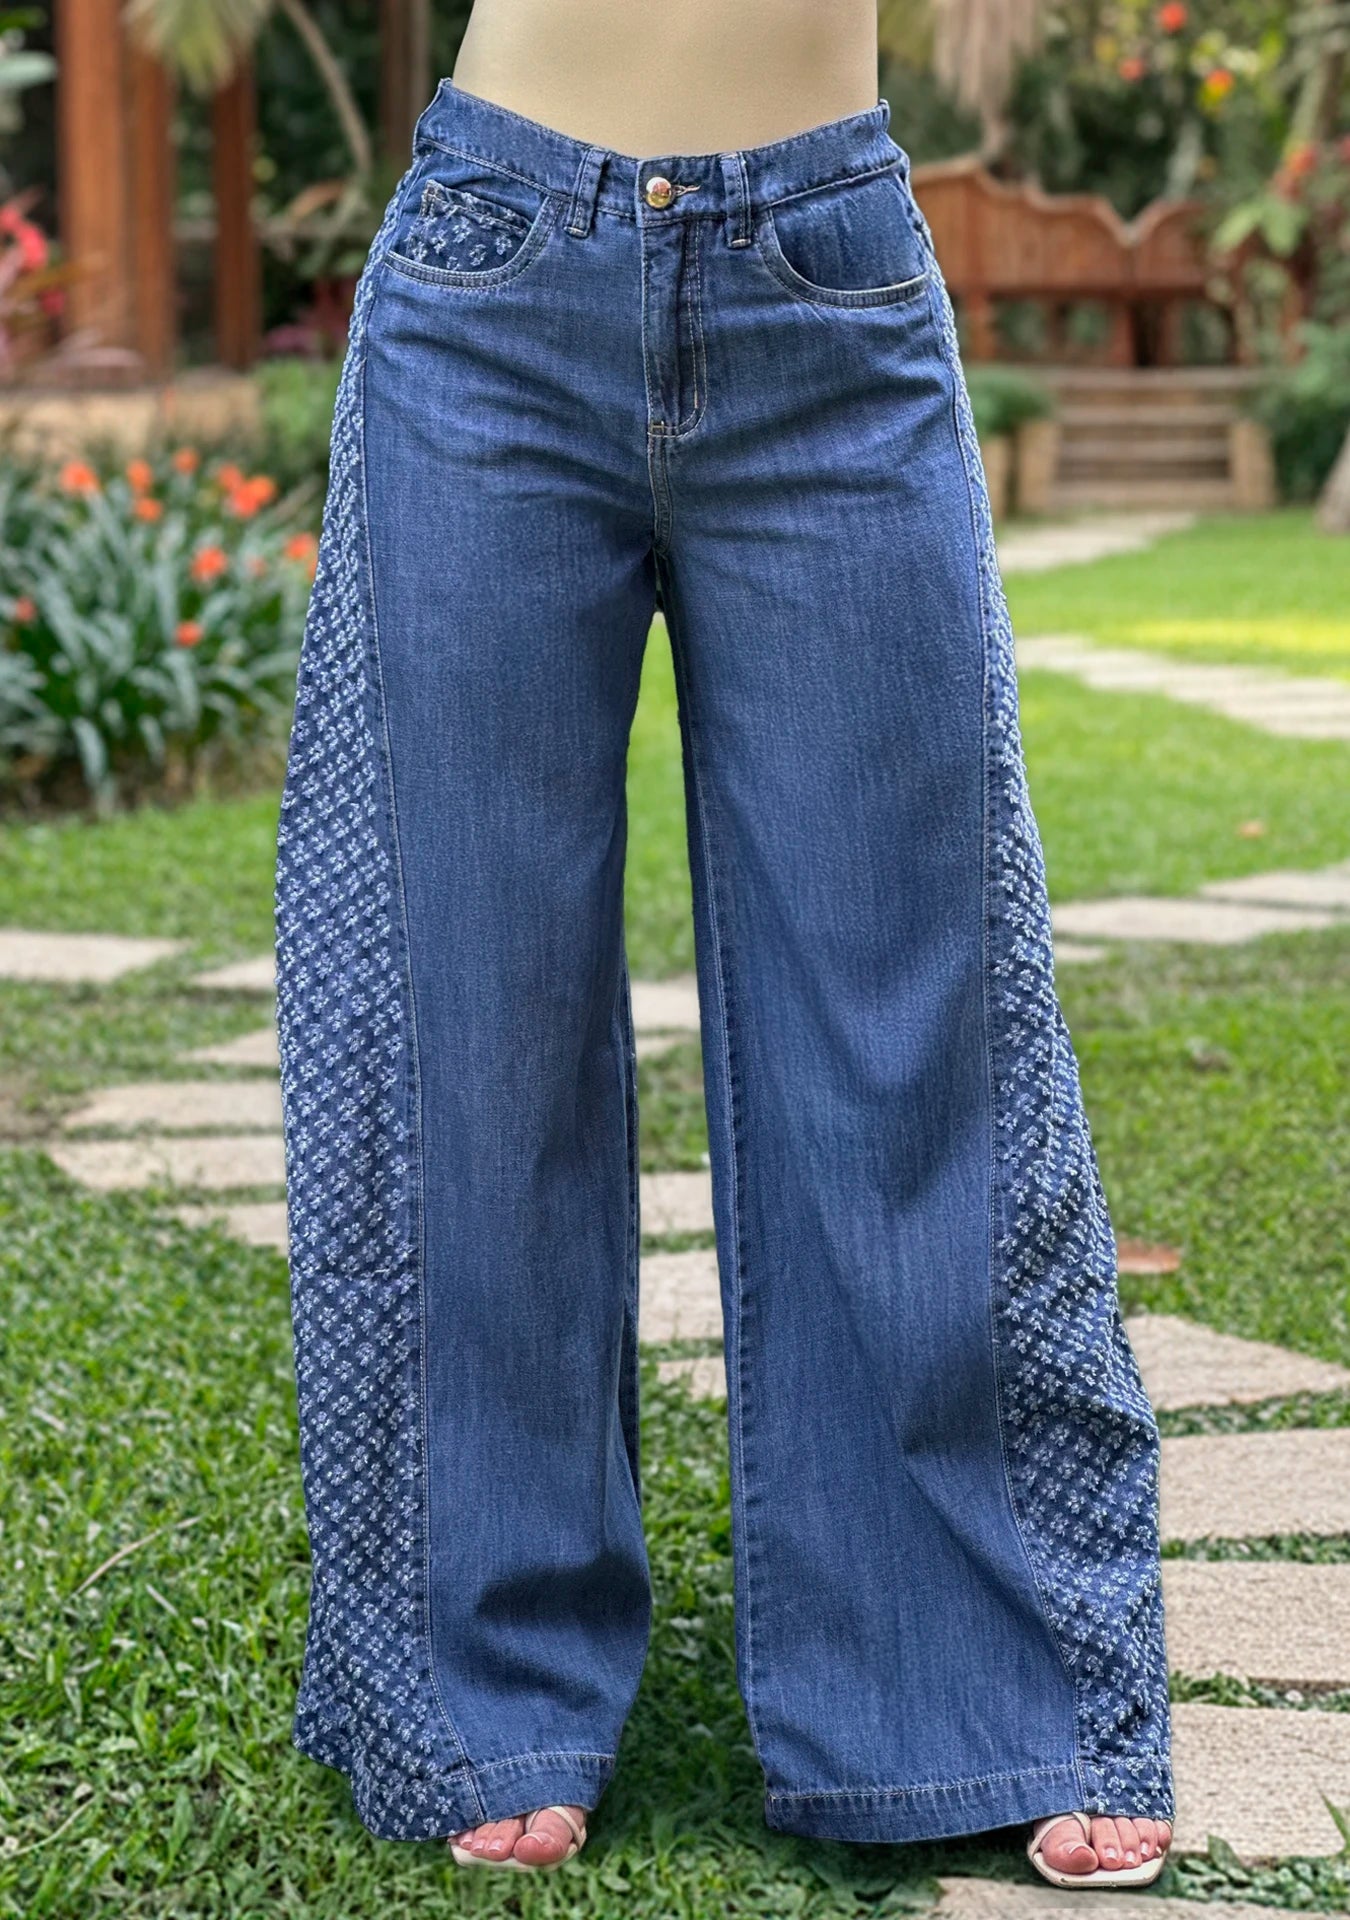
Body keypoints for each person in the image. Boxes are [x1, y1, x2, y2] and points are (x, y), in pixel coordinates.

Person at [273, 0, 1176, 1886]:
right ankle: (484, 1675)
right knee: (465, 1011)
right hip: (489, 271)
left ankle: (976, 1678)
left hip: (827, 275)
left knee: (910, 993)